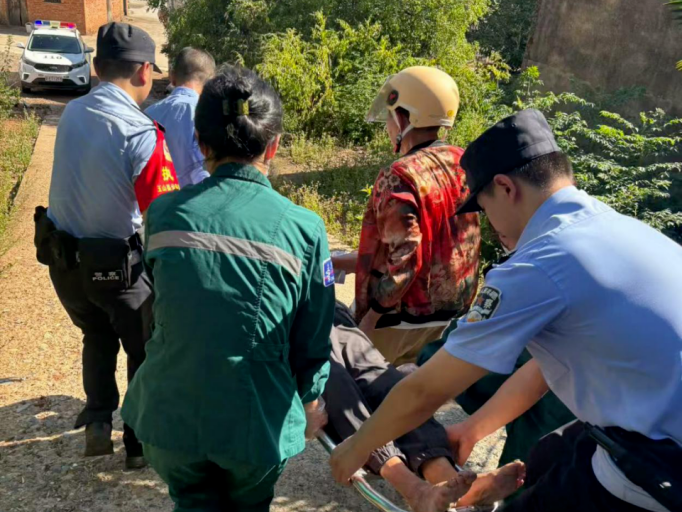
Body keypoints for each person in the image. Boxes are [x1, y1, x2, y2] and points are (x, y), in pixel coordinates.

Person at [329, 109, 682, 512]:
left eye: (483, 206)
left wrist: (358, 446)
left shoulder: (540, 262)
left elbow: (427, 390)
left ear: (505, 187)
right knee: (549, 454)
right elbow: (548, 368)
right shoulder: (621, 229)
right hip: (652, 426)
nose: (489, 223)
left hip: (657, 463)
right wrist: (472, 429)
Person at [121, 65, 335, 512]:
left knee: (190, 501)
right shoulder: (305, 229)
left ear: (200, 143)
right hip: (254, 427)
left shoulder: (162, 214)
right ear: (274, 145)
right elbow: (312, 336)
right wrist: (311, 398)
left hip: (168, 417)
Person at [34, 22, 179, 469]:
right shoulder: (141, 133)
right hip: (116, 268)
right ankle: (137, 443)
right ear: (145, 72)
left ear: (96, 67)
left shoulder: (71, 113)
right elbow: (163, 216)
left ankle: (98, 423)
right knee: (143, 348)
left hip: (63, 264)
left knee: (95, 334)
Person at [333, 66, 481, 366]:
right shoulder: (462, 162)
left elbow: (406, 258)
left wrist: (370, 319)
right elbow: (436, 244)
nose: (388, 126)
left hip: (398, 320)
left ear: (405, 119)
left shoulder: (399, 175)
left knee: (351, 381)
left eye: (390, 117)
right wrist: (343, 262)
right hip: (449, 319)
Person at [326, 302, 525, 512]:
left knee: (383, 379)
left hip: (329, 311)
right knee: (332, 382)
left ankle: (445, 476)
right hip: (303, 324)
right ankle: (414, 490)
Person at [145, 47, 215, 187]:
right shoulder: (210, 116)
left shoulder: (147, 114)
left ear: (172, 76)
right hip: (196, 197)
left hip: (155, 199)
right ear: (210, 82)